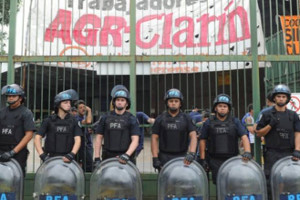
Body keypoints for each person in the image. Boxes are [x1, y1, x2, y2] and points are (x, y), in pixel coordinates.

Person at [255, 84, 300, 199]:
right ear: (274, 98)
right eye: (278, 96)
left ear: (287, 99)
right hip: (272, 153)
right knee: (270, 183)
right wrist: (270, 125)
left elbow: (297, 133)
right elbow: (258, 133)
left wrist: (297, 150)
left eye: (283, 97)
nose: (281, 99)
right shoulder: (266, 114)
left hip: (289, 154)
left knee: (289, 181)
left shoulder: (293, 115)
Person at [199, 94, 252, 185]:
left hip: (232, 159)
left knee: (231, 184)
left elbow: (244, 137)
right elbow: (202, 140)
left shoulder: (235, 122)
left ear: (228, 109)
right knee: (219, 185)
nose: (222, 108)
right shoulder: (209, 122)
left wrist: (247, 152)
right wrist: (202, 159)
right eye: (220, 106)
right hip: (214, 160)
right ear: (215, 108)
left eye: (225, 106)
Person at [151, 88, 197, 171]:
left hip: (182, 157)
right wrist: (155, 157)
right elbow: (154, 138)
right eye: (171, 101)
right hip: (164, 157)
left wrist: (192, 153)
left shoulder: (186, 118)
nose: (173, 103)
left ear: (180, 103)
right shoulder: (160, 119)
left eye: (176, 101)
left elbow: (193, 136)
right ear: (167, 103)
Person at [93, 86, 139, 165]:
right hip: (107, 157)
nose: (119, 102)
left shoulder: (132, 119)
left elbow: (135, 140)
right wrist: (97, 157)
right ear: (114, 102)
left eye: (122, 100)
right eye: (117, 100)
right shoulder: (105, 117)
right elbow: (98, 138)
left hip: (126, 158)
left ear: (127, 103)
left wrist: (127, 155)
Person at [34, 89, 82, 163]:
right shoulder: (48, 120)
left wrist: (72, 154)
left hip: (68, 159)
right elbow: (37, 138)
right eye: (65, 103)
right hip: (50, 158)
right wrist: (42, 155)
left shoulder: (74, 121)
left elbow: (78, 139)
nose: (69, 105)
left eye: (69, 102)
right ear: (58, 104)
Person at [0, 84, 36, 175]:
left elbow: (29, 135)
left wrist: (13, 152)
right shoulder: (2, 112)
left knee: (16, 180)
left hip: (17, 154)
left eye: (13, 96)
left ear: (20, 98)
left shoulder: (26, 113)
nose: (10, 98)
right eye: (9, 96)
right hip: (1, 151)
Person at [74, 100, 93, 172]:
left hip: (87, 144)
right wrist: (90, 110)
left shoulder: (84, 116)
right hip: (80, 146)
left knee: (88, 164)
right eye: (80, 107)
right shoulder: (76, 118)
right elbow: (88, 122)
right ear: (77, 110)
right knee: (84, 164)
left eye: (84, 107)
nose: (83, 109)